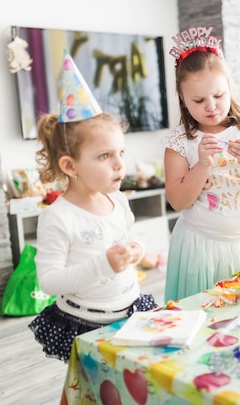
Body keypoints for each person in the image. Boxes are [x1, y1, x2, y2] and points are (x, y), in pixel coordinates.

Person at [28, 52, 157, 363]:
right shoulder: (57, 217)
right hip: (86, 324)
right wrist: (103, 266)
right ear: (70, 166)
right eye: (104, 156)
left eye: (121, 152)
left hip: (130, 309)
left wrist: (136, 250)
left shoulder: (120, 200)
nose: (120, 164)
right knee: (87, 391)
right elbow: (49, 282)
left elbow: (125, 238)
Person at [162, 27, 240, 302]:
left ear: (229, 87)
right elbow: (177, 201)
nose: (211, 106)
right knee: (204, 316)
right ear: (182, 99)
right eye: (198, 100)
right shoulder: (180, 142)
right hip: (200, 248)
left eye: (218, 95)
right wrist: (202, 166)